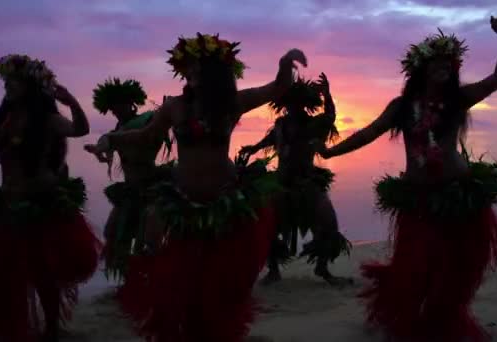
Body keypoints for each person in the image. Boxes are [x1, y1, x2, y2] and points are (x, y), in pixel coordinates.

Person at [92, 33, 307, 341]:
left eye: (197, 71)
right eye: (188, 71)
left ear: (214, 74)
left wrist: (286, 63)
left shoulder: (232, 104)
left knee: (220, 287)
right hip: (183, 202)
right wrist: (110, 139)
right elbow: (145, 136)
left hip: (225, 204)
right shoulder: (175, 107)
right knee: (182, 284)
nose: (191, 76)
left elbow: (278, 88)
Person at [318, 16, 497, 341]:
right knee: (415, 271)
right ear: (421, 68)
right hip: (420, 201)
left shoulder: (458, 100)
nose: (443, 67)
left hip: (458, 199)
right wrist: (331, 152)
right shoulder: (401, 107)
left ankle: (444, 321)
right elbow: (369, 133)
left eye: (448, 63)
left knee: (455, 273)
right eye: (436, 62)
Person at [0, 54, 102, 342]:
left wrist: (71, 102)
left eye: (13, 81)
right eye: (6, 82)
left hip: (42, 205)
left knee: (44, 273)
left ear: (29, 85)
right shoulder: (3, 121)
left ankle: (52, 329)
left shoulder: (48, 119)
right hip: (8, 207)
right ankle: (9, 326)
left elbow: (80, 130)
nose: (7, 86)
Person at [240, 73, 351, 286]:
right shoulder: (281, 125)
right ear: (285, 103)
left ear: (305, 104)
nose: (294, 107)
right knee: (268, 223)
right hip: (281, 181)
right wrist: (253, 148)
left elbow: (329, 117)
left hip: (307, 180)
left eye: (298, 103)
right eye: (290, 103)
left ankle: (322, 267)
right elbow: (270, 139)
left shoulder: (313, 124)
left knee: (328, 222)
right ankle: (273, 270)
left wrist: (327, 94)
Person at [84, 78, 173, 281]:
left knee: (148, 239)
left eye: (120, 104)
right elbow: (107, 140)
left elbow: (146, 133)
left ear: (131, 103)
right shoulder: (117, 131)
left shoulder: (147, 121)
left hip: (152, 186)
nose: (116, 109)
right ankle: (128, 279)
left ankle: (155, 278)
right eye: (113, 106)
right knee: (112, 232)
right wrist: (99, 150)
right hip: (130, 190)